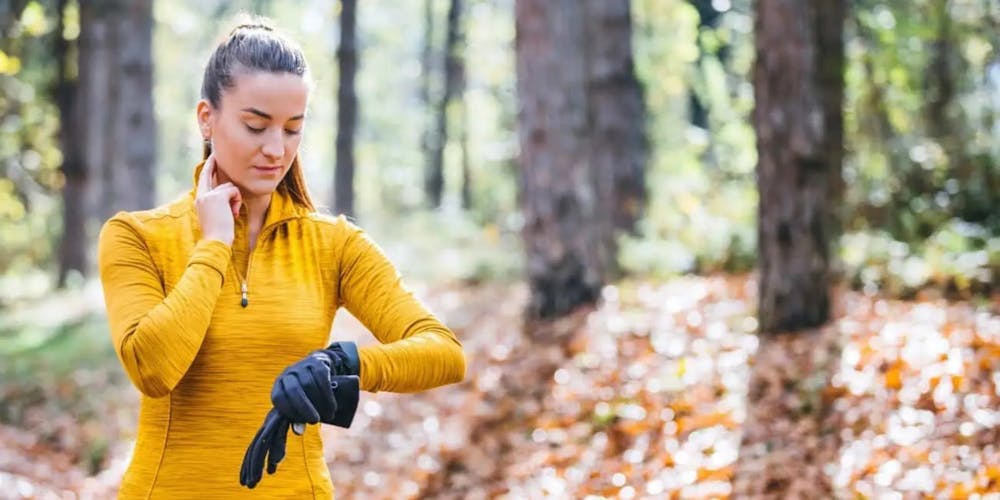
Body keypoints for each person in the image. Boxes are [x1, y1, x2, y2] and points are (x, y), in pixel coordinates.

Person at [97, 18, 466, 499]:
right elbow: (153, 368)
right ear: (206, 118)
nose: (276, 149)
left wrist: (341, 364)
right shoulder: (137, 237)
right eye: (255, 126)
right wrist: (213, 245)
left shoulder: (333, 245)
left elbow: (444, 352)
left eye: (293, 129)